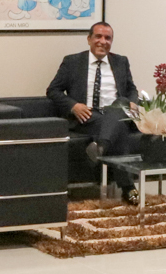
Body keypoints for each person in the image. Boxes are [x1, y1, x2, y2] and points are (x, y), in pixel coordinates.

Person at [47, 21, 140, 167]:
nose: (102, 41)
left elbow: (132, 89)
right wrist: (73, 106)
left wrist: (133, 102)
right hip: (88, 116)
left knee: (121, 104)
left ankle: (100, 146)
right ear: (89, 39)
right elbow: (53, 90)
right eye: (98, 36)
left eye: (107, 38)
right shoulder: (72, 62)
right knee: (119, 127)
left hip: (116, 112)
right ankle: (127, 187)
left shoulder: (121, 61)